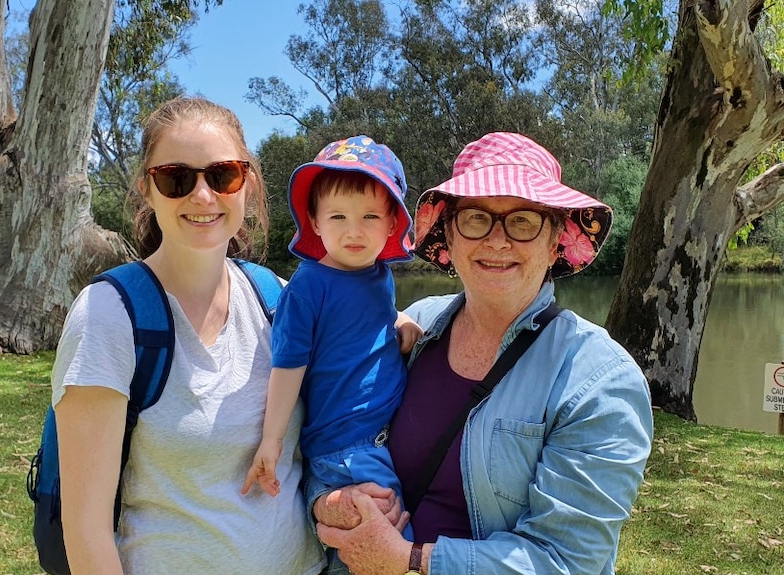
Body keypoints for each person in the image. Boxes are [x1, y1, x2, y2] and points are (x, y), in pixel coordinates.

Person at [314, 132, 654, 575]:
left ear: (555, 242)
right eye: (476, 218)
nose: (497, 240)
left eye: (524, 220)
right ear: (449, 238)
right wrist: (329, 499)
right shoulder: (413, 327)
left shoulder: (600, 380)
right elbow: (332, 425)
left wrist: (410, 560)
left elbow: (568, 561)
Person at [51, 96, 326, 574]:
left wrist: (406, 325)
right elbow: (86, 533)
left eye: (222, 176)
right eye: (177, 178)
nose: (202, 196)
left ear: (248, 185)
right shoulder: (109, 316)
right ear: (148, 190)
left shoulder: (278, 298)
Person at [241, 135, 419, 545]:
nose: (354, 231)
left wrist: (400, 319)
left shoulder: (377, 275)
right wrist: (271, 439)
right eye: (338, 217)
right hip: (348, 451)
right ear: (316, 222)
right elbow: (287, 366)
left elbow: (366, 320)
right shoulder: (308, 287)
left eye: (370, 217)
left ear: (393, 223)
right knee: (386, 546)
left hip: (382, 439)